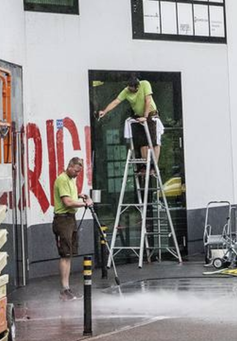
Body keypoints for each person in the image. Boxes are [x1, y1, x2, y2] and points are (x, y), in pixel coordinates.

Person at [97, 74, 162, 166]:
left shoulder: (145, 84)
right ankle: (146, 165)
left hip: (151, 115)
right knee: (142, 142)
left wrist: (146, 117)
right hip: (139, 117)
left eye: (134, 90)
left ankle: (154, 166)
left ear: (138, 86)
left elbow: (148, 100)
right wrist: (104, 111)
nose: (131, 92)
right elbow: (116, 101)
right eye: (130, 89)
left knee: (154, 142)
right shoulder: (126, 91)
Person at [52, 157, 92, 301]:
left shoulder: (70, 180)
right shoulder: (62, 179)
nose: (77, 174)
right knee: (65, 254)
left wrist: (79, 195)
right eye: (76, 171)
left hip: (70, 219)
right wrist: (84, 203)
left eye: (79, 172)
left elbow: (70, 196)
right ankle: (64, 289)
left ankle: (67, 288)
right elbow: (67, 202)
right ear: (69, 166)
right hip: (63, 219)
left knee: (69, 253)